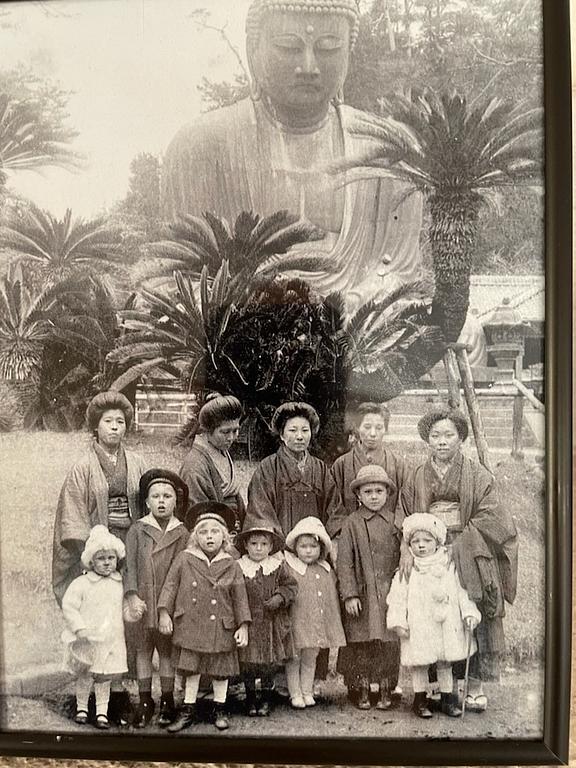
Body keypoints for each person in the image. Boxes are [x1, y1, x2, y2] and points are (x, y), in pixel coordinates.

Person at [160, 0, 422, 312]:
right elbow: (175, 276)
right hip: (245, 330)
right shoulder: (200, 145)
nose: (309, 66)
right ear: (253, 50)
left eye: (328, 48)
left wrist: (346, 307)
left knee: (468, 339)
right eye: (289, 46)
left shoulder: (387, 149)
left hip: (354, 324)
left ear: (349, 53)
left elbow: (398, 272)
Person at [401, 408, 518, 713]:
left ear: (461, 438)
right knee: (432, 615)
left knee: (472, 614)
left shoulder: (477, 474)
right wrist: (416, 543)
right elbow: (407, 514)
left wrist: (461, 543)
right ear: (428, 439)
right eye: (435, 435)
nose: (441, 442)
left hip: (468, 549)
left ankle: (474, 686)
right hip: (429, 551)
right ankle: (439, 687)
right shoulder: (417, 475)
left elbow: (493, 515)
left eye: (449, 435)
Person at [52, 390, 148, 725]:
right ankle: (87, 698)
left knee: (125, 626)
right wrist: (91, 559)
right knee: (97, 621)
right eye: (108, 422)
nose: (115, 428)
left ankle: (119, 697)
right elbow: (74, 515)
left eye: (121, 422)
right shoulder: (82, 467)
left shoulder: (135, 461)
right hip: (96, 550)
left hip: (129, 543)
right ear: (96, 426)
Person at [158, 503, 251, 732]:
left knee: (220, 670)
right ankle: (188, 710)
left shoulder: (231, 564)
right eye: (203, 532)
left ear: (225, 537)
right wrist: (163, 613)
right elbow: (170, 586)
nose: (209, 537)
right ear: (195, 537)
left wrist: (244, 626)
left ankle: (220, 708)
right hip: (190, 624)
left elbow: (240, 598)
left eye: (215, 532)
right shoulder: (184, 558)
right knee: (191, 668)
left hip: (222, 625)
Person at [387, 512, 481, 718]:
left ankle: (448, 699)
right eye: (416, 541)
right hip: (419, 624)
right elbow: (397, 597)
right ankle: (420, 700)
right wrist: (397, 621)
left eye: (427, 540)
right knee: (420, 661)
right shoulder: (408, 568)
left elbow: (461, 590)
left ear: (437, 542)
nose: (421, 545)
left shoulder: (448, 565)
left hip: (445, 623)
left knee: (445, 661)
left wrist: (469, 613)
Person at [123, 469, 190, 729]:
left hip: (168, 607)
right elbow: (129, 566)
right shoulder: (137, 530)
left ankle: (167, 701)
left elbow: (182, 575)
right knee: (142, 650)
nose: (161, 501)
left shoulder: (183, 534)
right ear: (147, 501)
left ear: (176, 501)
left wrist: (169, 610)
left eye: (167, 496)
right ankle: (144, 701)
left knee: (166, 652)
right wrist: (132, 597)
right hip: (142, 603)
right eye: (155, 496)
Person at [336, 465, 401, 710]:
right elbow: (344, 561)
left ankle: (386, 688)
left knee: (387, 641)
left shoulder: (394, 521)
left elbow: (401, 556)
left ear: (387, 493)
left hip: (388, 594)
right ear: (359, 495)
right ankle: (360, 687)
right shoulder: (352, 523)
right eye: (368, 491)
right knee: (360, 641)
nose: (374, 496)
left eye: (379, 491)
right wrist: (349, 594)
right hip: (361, 594)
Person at [61, 526, 128, 730]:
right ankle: (82, 708)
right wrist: (79, 628)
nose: (107, 563)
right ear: (91, 561)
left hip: (111, 639)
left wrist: (131, 613)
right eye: (101, 558)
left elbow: (123, 607)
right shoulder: (82, 583)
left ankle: (102, 712)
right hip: (88, 639)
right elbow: (69, 606)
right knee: (86, 674)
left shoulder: (119, 584)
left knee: (104, 676)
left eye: (111, 558)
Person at [245, 401, 343, 536]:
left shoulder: (320, 469)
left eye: (305, 430)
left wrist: (330, 541)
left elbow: (335, 510)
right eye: (292, 430)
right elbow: (260, 512)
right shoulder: (267, 468)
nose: (299, 437)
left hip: (314, 548)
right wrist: (274, 545)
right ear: (281, 435)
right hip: (279, 548)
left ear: (311, 433)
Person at [236, 523, 298, 717]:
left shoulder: (277, 566)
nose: (259, 548)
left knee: (268, 664)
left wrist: (279, 597)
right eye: (254, 543)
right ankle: (250, 697)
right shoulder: (239, 566)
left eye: (264, 544)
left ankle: (265, 698)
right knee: (248, 662)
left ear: (271, 547)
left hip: (271, 623)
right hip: (248, 622)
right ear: (246, 545)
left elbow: (291, 585)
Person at [284, 516, 346, 709]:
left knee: (311, 657)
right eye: (303, 546)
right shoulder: (290, 568)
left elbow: (330, 599)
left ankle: (307, 691)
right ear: (295, 547)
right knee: (294, 657)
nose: (308, 551)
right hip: (297, 622)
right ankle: (295, 693)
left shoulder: (326, 569)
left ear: (321, 549)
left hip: (316, 623)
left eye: (313, 546)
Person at [328, 402, 407, 538]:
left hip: (389, 536)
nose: (372, 434)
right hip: (352, 536)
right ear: (357, 428)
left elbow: (404, 503)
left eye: (379, 428)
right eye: (367, 427)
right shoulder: (342, 464)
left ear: (386, 430)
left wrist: (398, 530)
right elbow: (334, 505)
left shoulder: (398, 464)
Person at [179, 394, 245, 537]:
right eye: (225, 432)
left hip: (233, 527)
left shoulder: (221, 450)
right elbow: (196, 513)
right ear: (208, 430)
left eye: (235, 430)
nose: (231, 438)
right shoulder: (195, 465)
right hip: (211, 532)